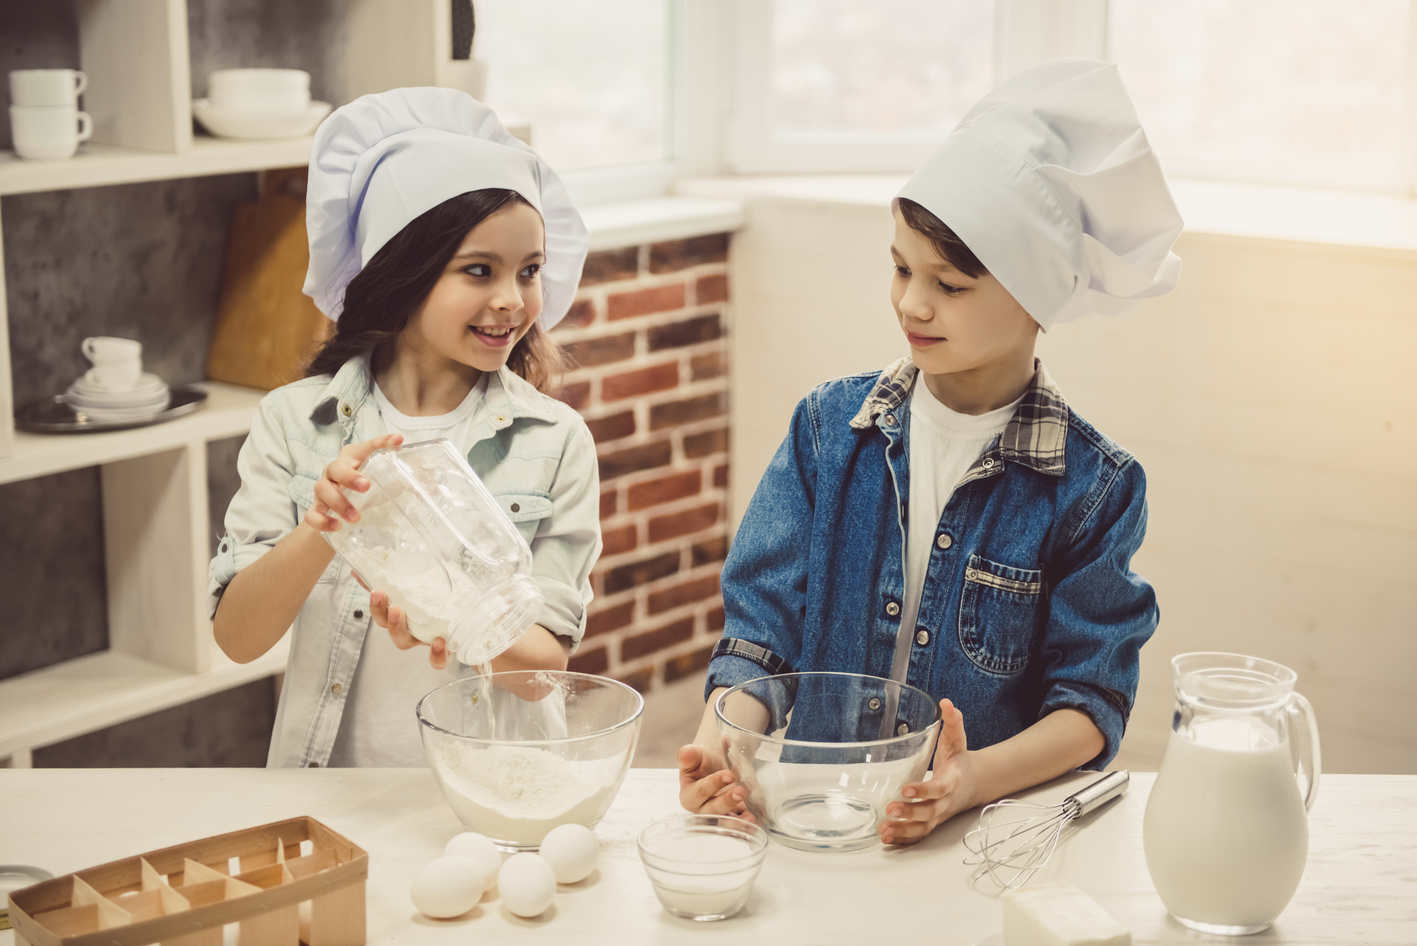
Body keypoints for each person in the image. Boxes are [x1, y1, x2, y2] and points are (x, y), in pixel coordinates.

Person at [679, 59, 1182, 843]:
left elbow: (1089, 703)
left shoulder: (1093, 488)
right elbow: (759, 635)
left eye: (948, 284)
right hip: (816, 813)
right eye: (901, 267)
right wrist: (721, 743)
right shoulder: (826, 429)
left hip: (975, 837)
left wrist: (969, 779)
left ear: (1035, 293)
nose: (911, 302)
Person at [209, 88, 600, 768]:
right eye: (478, 271)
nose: (512, 299)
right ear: (402, 274)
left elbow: (542, 672)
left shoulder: (554, 440)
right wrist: (323, 527)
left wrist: (455, 613)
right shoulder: (295, 422)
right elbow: (238, 638)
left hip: (494, 789)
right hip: (332, 791)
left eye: (529, 271)